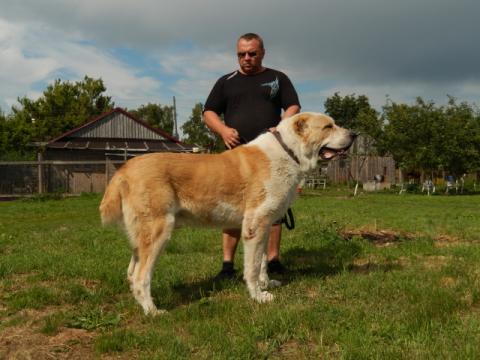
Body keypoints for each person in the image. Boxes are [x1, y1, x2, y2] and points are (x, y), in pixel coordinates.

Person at [203, 33, 301, 279]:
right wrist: (224, 130)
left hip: (271, 157)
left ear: (262, 53)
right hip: (236, 157)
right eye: (241, 54)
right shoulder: (226, 82)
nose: (246, 58)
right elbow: (209, 112)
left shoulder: (278, 78)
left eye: (252, 53)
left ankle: (273, 261)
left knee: (273, 210)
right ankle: (227, 266)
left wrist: (282, 124)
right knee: (234, 209)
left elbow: (293, 106)